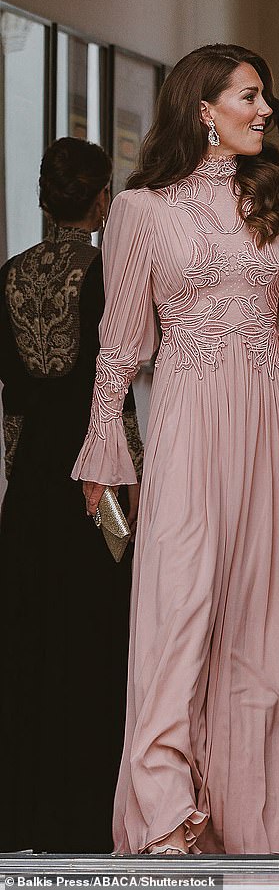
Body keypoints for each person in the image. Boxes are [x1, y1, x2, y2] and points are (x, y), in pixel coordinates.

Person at [72, 43, 279, 856]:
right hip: (187, 422)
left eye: (264, 96)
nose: (264, 110)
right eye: (249, 96)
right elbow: (119, 347)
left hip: (264, 425)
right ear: (204, 109)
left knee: (260, 623)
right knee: (180, 608)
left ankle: (256, 821)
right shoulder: (141, 211)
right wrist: (103, 452)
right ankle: (162, 810)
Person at [0, 137, 142, 853]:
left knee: (27, 640)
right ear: (99, 200)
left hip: (28, 488)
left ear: (41, 197)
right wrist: (134, 492)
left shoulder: (9, 277)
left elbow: (13, 402)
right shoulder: (107, 273)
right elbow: (114, 400)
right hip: (97, 482)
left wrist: (16, 483)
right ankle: (86, 815)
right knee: (97, 639)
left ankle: (21, 814)